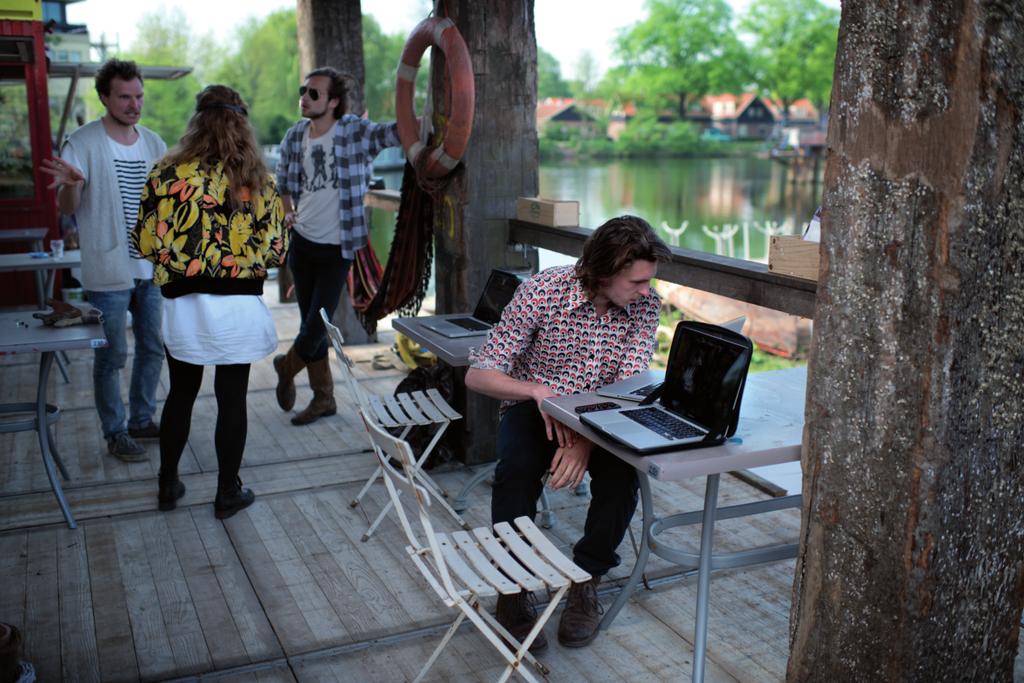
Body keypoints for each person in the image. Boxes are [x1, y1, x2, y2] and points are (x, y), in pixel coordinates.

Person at [465, 216, 671, 650]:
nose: (646, 291)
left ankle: (586, 579)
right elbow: (479, 376)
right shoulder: (544, 290)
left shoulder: (645, 306)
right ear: (602, 273)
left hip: (604, 414)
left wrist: (582, 441)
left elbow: (629, 387)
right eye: (636, 282)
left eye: (648, 281)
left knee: (621, 478)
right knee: (516, 469)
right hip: (534, 408)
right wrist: (536, 390)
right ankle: (512, 586)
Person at [131, 85, 287, 519]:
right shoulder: (259, 181)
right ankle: (226, 492)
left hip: (184, 305)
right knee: (231, 398)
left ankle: (167, 483)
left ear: (196, 121)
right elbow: (276, 253)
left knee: (181, 393)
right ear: (242, 122)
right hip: (238, 305)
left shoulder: (164, 176)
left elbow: (143, 242)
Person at [41, 59, 166, 462]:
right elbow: (67, 206)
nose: (134, 104)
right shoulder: (82, 142)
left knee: (152, 348)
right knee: (111, 356)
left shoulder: (153, 143)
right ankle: (115, 431)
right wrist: (73, 186)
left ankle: (141, 420)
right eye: (125, 96)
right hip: (108, 269)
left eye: (139, 96)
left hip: (151, 268)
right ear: (105, 97)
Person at [273, 66, 403, 425]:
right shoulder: (295, 135)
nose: (304, 97)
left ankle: (286, 367)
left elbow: (392, 134)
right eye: (304, 90)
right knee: (308, 323)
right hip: (302, 244)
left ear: (332, 101)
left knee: (317, 324)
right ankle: (324, 399)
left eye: (313, 93)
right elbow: (283, 181)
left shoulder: (353, 132)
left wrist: (420, 118)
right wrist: (288, 213)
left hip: (337, 248)